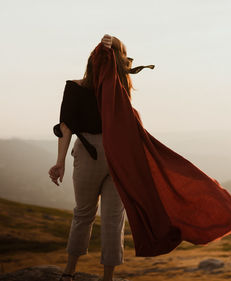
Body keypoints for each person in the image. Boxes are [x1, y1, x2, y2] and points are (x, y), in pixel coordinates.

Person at [48, 34, 136, 281]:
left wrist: (60, 161)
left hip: (90, 154)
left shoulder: (77, 87)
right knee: (112, 220)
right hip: (118, 154)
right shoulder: (121, 87)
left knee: (84, 214)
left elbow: (65, 127)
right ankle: (107, 278)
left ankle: (69, 272)